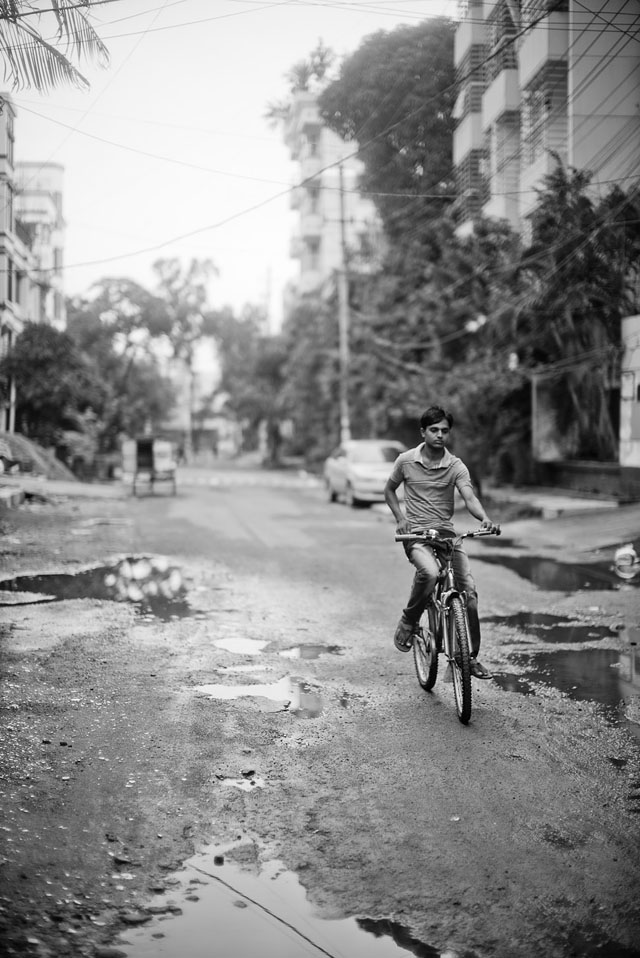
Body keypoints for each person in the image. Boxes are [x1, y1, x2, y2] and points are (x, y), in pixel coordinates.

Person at [384, 405, 499, 679]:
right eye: (434, 430)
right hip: (418, 537)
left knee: (468, 595)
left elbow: (469, 497)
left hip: (448, 536)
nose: (439, 435)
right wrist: (400, 517)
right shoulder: (406, 461)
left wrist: (484, 518)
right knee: (430, 573)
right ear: (423, 431)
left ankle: (468, 658)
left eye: (444, 431)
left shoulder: (456, 465)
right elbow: (389, 490)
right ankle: (409, 621)